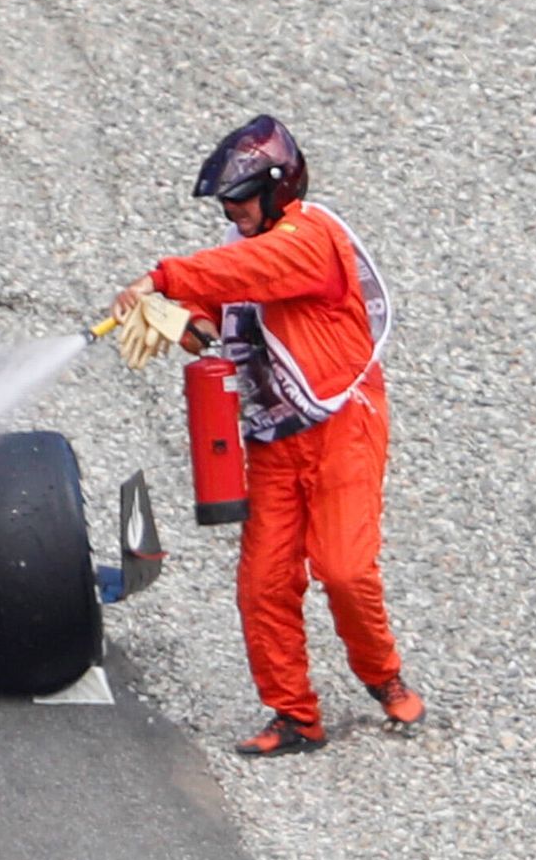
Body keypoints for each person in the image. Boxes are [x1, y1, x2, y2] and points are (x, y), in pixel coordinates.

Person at [111, 115, 423, 757]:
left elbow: (252, 271)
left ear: (280, 188)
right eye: (228, 203)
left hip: (342, 426)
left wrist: (161, 280)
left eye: (241, 198)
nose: (232, 210)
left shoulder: (309, 239)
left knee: (342, 568)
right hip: (276, 440)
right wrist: (176, 320)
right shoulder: (242, 247)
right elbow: (223, 319)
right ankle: (294, 716)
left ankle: (382, 676)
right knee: (264, 582)